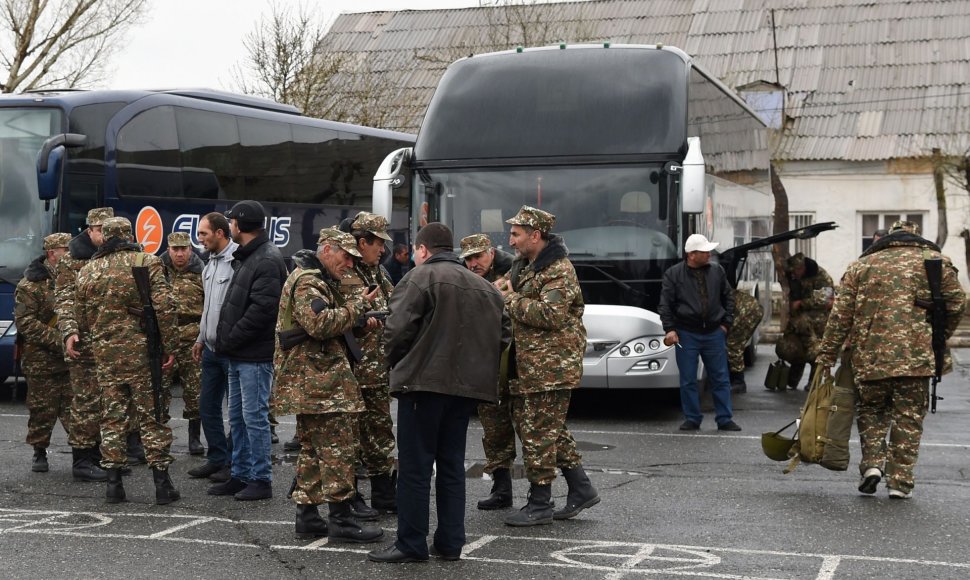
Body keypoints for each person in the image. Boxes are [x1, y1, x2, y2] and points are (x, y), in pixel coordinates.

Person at [368, 223, 510, 563]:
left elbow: (396, 331)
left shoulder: (418, 279)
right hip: (465, 390)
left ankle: (411, 543)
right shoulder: (487, 288)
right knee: (450, 467)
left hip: (423, 385)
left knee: (415, 468)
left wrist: (395, 364)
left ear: (421, 249)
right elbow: (503, 336)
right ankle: (450, 543)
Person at [816, 220, 965, 499]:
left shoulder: (861, 265)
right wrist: (937, 337)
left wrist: (827, 354)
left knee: (872, 411)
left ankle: (872, 465)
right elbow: (957, 303)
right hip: (916, 358)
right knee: (908, 418)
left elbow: (840, 316)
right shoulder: (935, 262)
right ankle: (900, 481)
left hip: (869, 358)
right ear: (915, 237)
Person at [272, 228, 384, 543]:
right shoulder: (309, 281)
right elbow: (319, 325)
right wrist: (358, 308)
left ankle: (307, 515)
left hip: (315, 380)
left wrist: (359, 324)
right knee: (338, 449)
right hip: (319, 382)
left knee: (312, 450)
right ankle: (342, 518)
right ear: (327, 250)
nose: (349, 264)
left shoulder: (317, 279)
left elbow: (328, 326)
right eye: (346, 256)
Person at [496, 206, 599, 527]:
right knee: (547, 430)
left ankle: (540, 502)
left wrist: (510, 300)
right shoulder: (525, 265)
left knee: (539, 433)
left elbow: (550, 315)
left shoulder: (558, 269)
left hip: (550, 368)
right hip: (527, 364)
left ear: (535, 236)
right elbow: (508, 288)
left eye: (516, 234)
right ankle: (581, 488)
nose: (510, 241)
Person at [74, 217, 180, 504]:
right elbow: (165, 308)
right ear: (129, 234)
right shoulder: (146, 262)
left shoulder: (88, 270)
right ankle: (162, 485)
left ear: (105, 237)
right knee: (153, 415)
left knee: (112, 417)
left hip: (105, 356)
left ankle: (114, 484)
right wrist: (171, 347)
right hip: (142, 354)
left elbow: (81, 318)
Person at [209, 200, 287, 501]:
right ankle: (240, 474)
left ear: (239, 225)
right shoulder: (249, 256)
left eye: (232, 221)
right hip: (239, 353)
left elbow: (263, 311)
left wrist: (230, 339)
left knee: (254, 417)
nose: (229, 225)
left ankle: (261, 478)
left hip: (253, 354)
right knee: (239, 418)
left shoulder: (265, 259)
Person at [339, 212, 398, 516]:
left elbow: (394, 306)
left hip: (377, 370)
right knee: (349, 436)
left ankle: (385, 494)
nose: (383, 250)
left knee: (380, 432)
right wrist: (362, 321)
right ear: (362, 242)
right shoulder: (346, 274)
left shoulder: (379, 273)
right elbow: (340, 319)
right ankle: (349, 499)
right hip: (352, 371)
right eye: (378, 244)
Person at [658, 233, 740, 432]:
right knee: (688, 379)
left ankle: (724, 418)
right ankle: (692, 418)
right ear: (692, 255)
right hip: (686, 333)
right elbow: (665, 304)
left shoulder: (717, 271)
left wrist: (725, 325)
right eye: (705, 251)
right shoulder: (673, 274)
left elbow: (729, 297)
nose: (709, 254)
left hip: (714, 332)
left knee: (720, 377)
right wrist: (670, 329)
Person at [459, 233, 517, 510]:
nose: (473, 263)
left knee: (534, 431)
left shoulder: (517, 271)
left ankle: (544, 491)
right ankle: (501, 487)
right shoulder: (465, 277)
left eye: (478, 256)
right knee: (494, 429)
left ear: (491, 252)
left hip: (518, 362)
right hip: (488, 363)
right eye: (468, 258)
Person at [56, 207, 113, 483]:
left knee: (108, 402)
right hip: (83, 342)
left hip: (112, 342)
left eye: (107, 228)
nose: (104, 233)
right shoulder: (71, 261)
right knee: (86, 401)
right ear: (89, 230)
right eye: (99, 229)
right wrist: (69, 332)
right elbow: (64, 300)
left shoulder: (116, 257)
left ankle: (102, 455)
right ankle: (82, 459)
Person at [14, 233, 73, 473]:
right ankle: (39, 451)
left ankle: (85, 454)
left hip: (71, 359)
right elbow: (25, 322)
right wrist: (60, 340)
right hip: (41, 360)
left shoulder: (72, 279)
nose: (70, 255)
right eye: (65, 250)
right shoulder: (29, 285)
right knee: (42, 409)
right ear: (52, 253)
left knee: (77, 409)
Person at [189, 212, 238, 483]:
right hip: (209, 349)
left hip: (231, 351)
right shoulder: (209, 264)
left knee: (236, 412)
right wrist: (199, 338)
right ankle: (217, 458)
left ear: (220, 233)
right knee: (207, 407)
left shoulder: (237, 262)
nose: (199, 239)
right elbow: (208, 309)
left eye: (203, 233)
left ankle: (232, 463)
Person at [161, 232, 205, 455]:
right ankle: (159, 437)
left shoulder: (201, 273)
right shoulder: (158, 271)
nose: (179, 253)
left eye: (183, 249)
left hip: (191, 337)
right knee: (160, 390)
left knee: (194, 390)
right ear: (168, 249)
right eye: (175, 249)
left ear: (190, 249)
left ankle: (194, 438)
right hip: (164, 338)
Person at [778, 253, 834, 389]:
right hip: (799, 321)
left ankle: (813, 383)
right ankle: (793, 378)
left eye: (796, 271)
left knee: (815, 351)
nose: (794, 274)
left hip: (818, 321)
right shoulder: (793, 276)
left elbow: (827, 300)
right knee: (792, 348)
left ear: (802, 268)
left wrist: (802, 303)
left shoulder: (822, 277)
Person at [725, 288, 764, 393]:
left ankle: (738, 382)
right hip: (750, 307)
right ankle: (733, 379)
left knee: (733, 343)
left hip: (747, 310)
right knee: (732, 342)